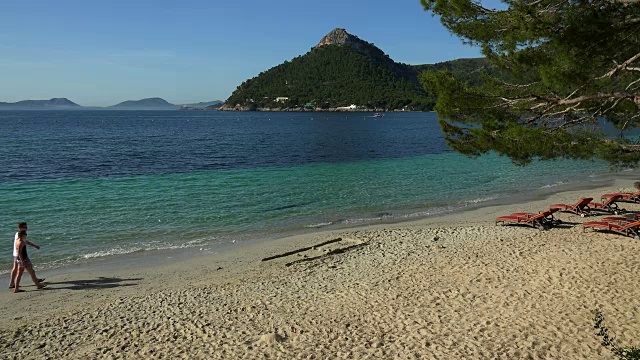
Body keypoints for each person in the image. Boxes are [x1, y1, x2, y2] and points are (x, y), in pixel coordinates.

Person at [9, 222, 44, 289]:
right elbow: (20, 244)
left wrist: (34, 246)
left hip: (19, 255)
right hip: (18, 255)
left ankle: (15, 285)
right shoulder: (18, 235)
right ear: (20, 228)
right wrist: (21, 258)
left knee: (21, 271)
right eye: (24, 227)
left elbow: (25, 241)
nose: (26, 228)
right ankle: (12, 283)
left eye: (26, 227)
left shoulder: (22, 234)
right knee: (17, 269)